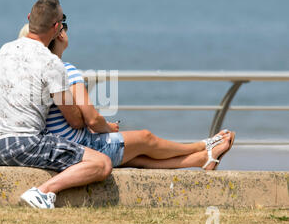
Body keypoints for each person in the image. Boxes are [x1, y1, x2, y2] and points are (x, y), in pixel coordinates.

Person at [18, 22, 236, 171]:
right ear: (59, 36)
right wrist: (105, 128)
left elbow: (66, 118)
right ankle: (201, 146)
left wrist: (97, 126)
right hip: (79, 148)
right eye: (64, 27)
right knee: (145, 138)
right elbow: (91, 118)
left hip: (55, 147)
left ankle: (201, 160)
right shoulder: (66, 69)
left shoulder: (36, 72)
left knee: (137, 156)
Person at [0, 0, 114, 210]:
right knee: (102, 163)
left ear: (29, 19)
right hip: (21, 145)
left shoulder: (4, 49)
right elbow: (75, 121)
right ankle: (42, 192)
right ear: (56, 27)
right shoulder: (51, 62)